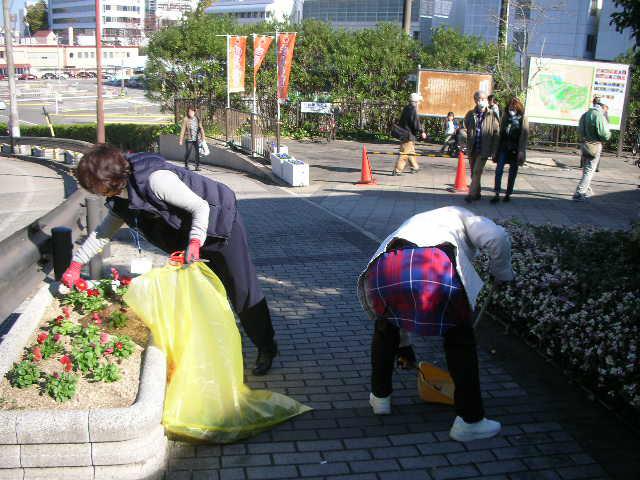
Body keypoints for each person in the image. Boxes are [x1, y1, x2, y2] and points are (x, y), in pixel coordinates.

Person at [61, 145, 278, 376]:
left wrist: (194, 243)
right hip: (189, 242)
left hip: (220, 228)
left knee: (242, 290)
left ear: (109, 178)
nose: (95, 193)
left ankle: (266, 347)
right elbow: (103, 232)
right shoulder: (119, 194)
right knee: (200, 295)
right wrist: (76, 265)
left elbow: (200, 207)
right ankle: (218, 351)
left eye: (95, 186)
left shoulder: (155, 180)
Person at [357, 206, 514, 442]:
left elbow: (402, 309)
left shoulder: (420, 218)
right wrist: (502, 274)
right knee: (459, 341)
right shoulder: (465, 216)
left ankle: (380, 398)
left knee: (386, 328)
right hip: (435, 265)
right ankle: (470, 421)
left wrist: (404, 346)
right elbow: (497, 237)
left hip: (388, 265)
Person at [464, 91, 500, 203]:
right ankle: (477, 193)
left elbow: (496, 133)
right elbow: (465, 127)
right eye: (479, 99)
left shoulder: (492, 114)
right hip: (472, 148)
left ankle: (471, 194)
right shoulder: (470, 114)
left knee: (477, 171)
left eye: (483, 99)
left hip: (484, 149)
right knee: (473, 173)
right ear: (475, 100)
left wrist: (494, 150)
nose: (481, 101)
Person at [491, 97, 529, 203]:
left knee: (512, 172)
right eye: (510, 106)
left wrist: (521, 150)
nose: (512, 108)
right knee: (499, 170)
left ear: (518, 107)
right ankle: (497, 193)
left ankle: (508, 193)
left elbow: (524, 135)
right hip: (503, 147)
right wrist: (495, 150)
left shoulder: (523, 118)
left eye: (514, 106)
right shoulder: (505, 116)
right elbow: (499, 133)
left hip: (515, 149)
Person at [573, 96, 610, 201]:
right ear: (602, 106)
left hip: (585, 144)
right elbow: (604, 134)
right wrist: (608, 135)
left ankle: (585, 189)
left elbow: (579, 131)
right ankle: (580, 192)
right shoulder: (599, 116)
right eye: (606, 108)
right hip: (595, 145)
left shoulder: (585, 114)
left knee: (586, 169)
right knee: (589, 170)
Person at [392, 92, 427, 176]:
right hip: (408, 135)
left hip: (403, 133)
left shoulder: (406, 108)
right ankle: (397, 170)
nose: (419, 103)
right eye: (418, 101)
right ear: (415, 101)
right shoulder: (413, 110)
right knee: (404, 153)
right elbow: (416, 123)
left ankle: (415, 167)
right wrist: (422, 131)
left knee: (410, 152)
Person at [179, 106, 205, 171]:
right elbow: (183, 130)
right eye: (189, 111)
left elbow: (201, 128)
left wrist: (203, 137)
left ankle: (197, 166)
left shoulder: (197, 118)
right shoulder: (186, 119)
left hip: (196, 138)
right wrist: (181, 140)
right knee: (188, 152)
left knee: (197, 153)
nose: (190, 113)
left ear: (194, 112)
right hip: (189, 139)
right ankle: (186, 165)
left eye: (191, 111)